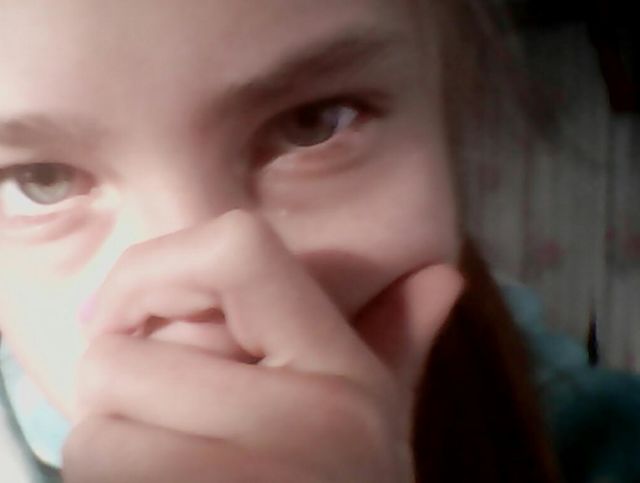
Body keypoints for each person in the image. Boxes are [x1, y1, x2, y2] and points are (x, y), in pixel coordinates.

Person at [0, 0, 562, 481]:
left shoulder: (571, 417)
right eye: (40, 180)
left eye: (313, 124)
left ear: (449, 111)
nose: (207, 327)